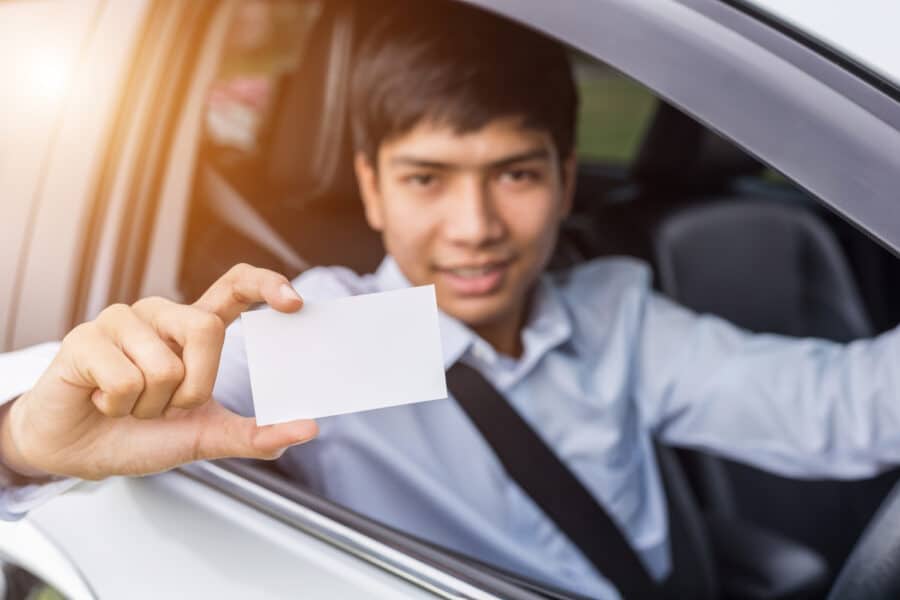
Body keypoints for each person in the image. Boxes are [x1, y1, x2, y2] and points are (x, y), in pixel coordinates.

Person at [3, 3, 900, 598]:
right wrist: (22, 444)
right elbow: (60, 413)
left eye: (513, 174)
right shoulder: (318, 333)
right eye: (427, 178)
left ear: (563, 178)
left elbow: (844, 406)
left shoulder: (612, 315)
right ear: (371, 189)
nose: (474, 227)